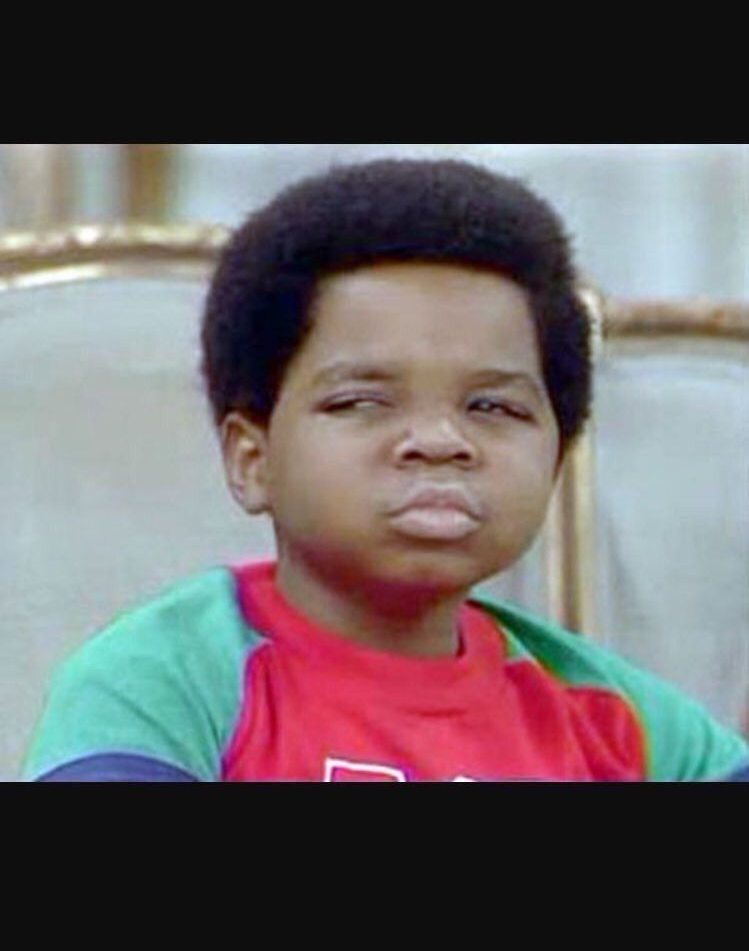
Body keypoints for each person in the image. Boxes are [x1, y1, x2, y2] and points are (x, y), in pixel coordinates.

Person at [23, 159, 749, 782]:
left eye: (493, 407)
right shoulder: (167, 680)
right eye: (362, 402)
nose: (439, 441)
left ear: (555, 458)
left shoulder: (617, 721)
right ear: (252, 458)